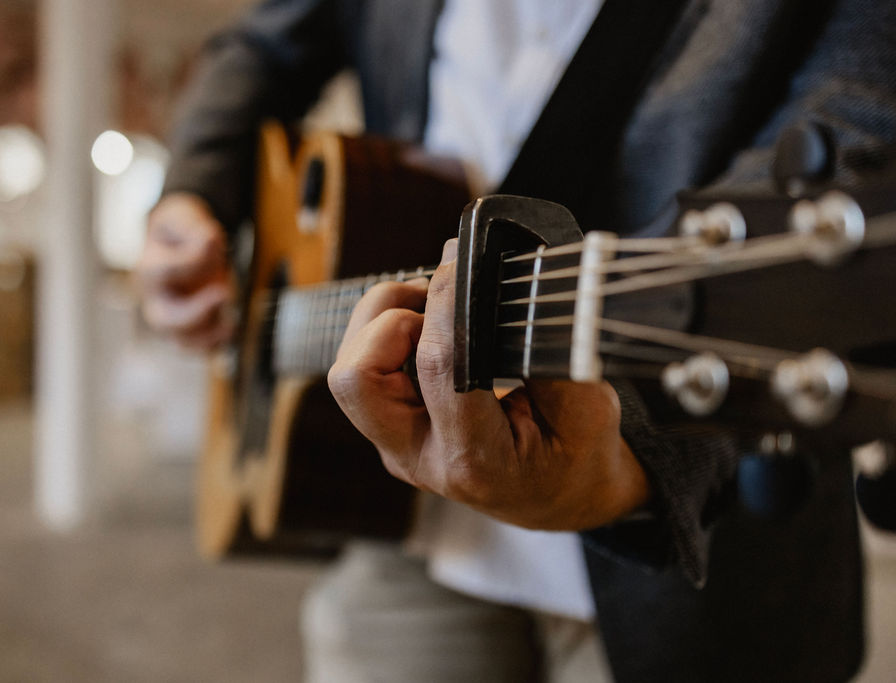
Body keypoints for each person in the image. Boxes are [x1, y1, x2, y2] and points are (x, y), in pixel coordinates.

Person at [137, 0, 896, 680]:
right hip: (397, 518)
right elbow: (263, 49)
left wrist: (626, 466)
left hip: (696, 566)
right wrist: (191, 196)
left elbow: (846, 150)